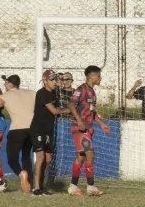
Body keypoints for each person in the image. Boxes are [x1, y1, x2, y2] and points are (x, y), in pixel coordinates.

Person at [67, 65, 112, 197]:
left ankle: (73, 186)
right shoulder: (81, 90)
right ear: (92, 76)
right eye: (98, 76)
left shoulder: (91, 91)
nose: (100, 78)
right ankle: (91, 186)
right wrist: (79, 120)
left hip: (88, 128)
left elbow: (91, 113)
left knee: (80, 157)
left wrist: (102, 124)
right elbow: (71, 104)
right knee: (90, 155)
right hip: (80, 128)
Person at [30, 70, 71, 196]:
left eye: (56, 80)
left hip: (49, 129)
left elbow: (61, 106)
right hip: (38, 129)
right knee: (41, 157)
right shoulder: (42, 93)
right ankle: (36, 188)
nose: (55, 82)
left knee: (48, 159)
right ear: (45, 80)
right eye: (52, 80)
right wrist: (72, 110)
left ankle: (41, 185)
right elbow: (54, 111)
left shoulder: (55, 94)